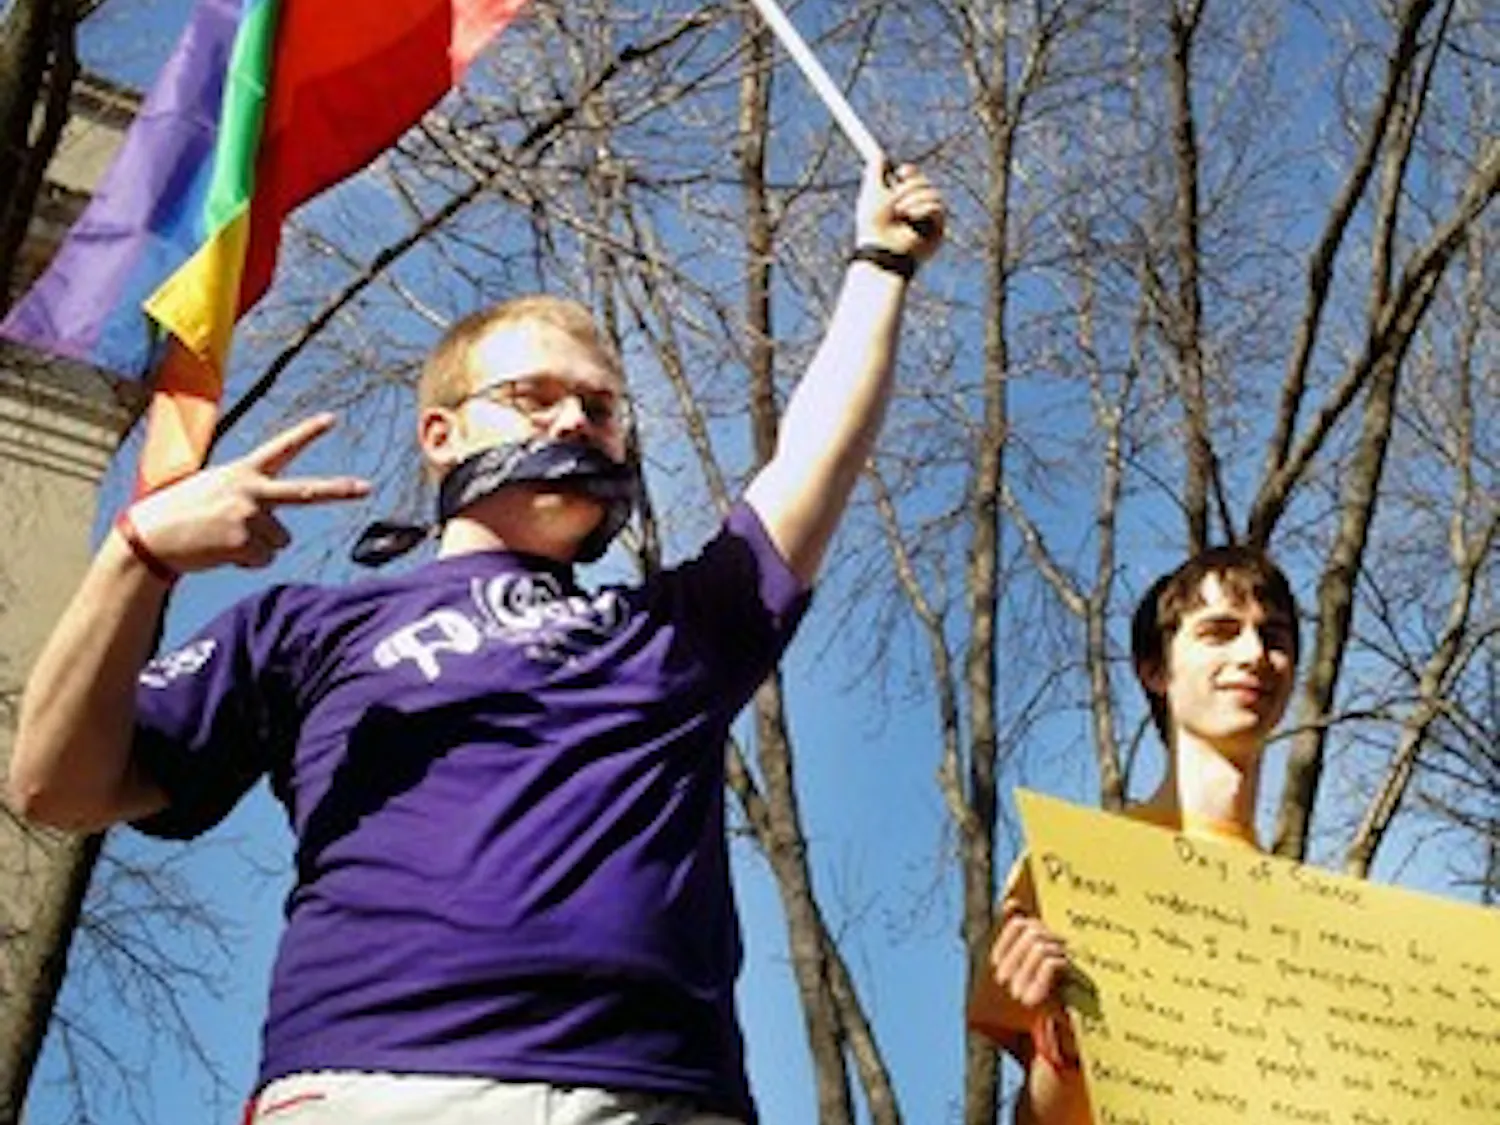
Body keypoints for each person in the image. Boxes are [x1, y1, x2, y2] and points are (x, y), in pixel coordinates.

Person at [8, 160, 945, 1124]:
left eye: (602, 407)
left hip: (662, 1098)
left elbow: (814, 462)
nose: (576, 419)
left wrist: (878, 260)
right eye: (535, 396)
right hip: (374, 1088)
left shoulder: (673, 632)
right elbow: (55, 784)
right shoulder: (306, 629)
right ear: (442, 434)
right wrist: (139, 557)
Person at [967, 546, 1300, 1125]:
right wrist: (1060, 1045)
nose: (1254, 655)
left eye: (1274, 637)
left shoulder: (1313, 914)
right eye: (1220, 632)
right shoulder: (1070, 869)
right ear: (1155, 670)